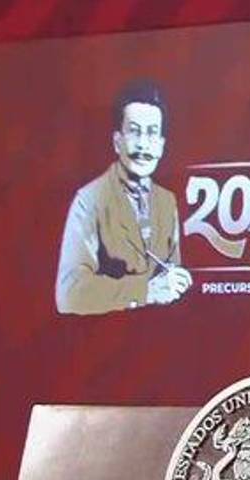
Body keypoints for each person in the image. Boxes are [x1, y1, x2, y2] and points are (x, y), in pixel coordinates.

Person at [54, 80, 192, 315]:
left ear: (161, 146)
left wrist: (178, 282)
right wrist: (145, 291)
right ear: (117, 141)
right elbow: (69, 294)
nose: (143, 146)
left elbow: (170, 281)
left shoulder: (167, 202)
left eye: (152, 133)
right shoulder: (89, 200)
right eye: (134, 132)